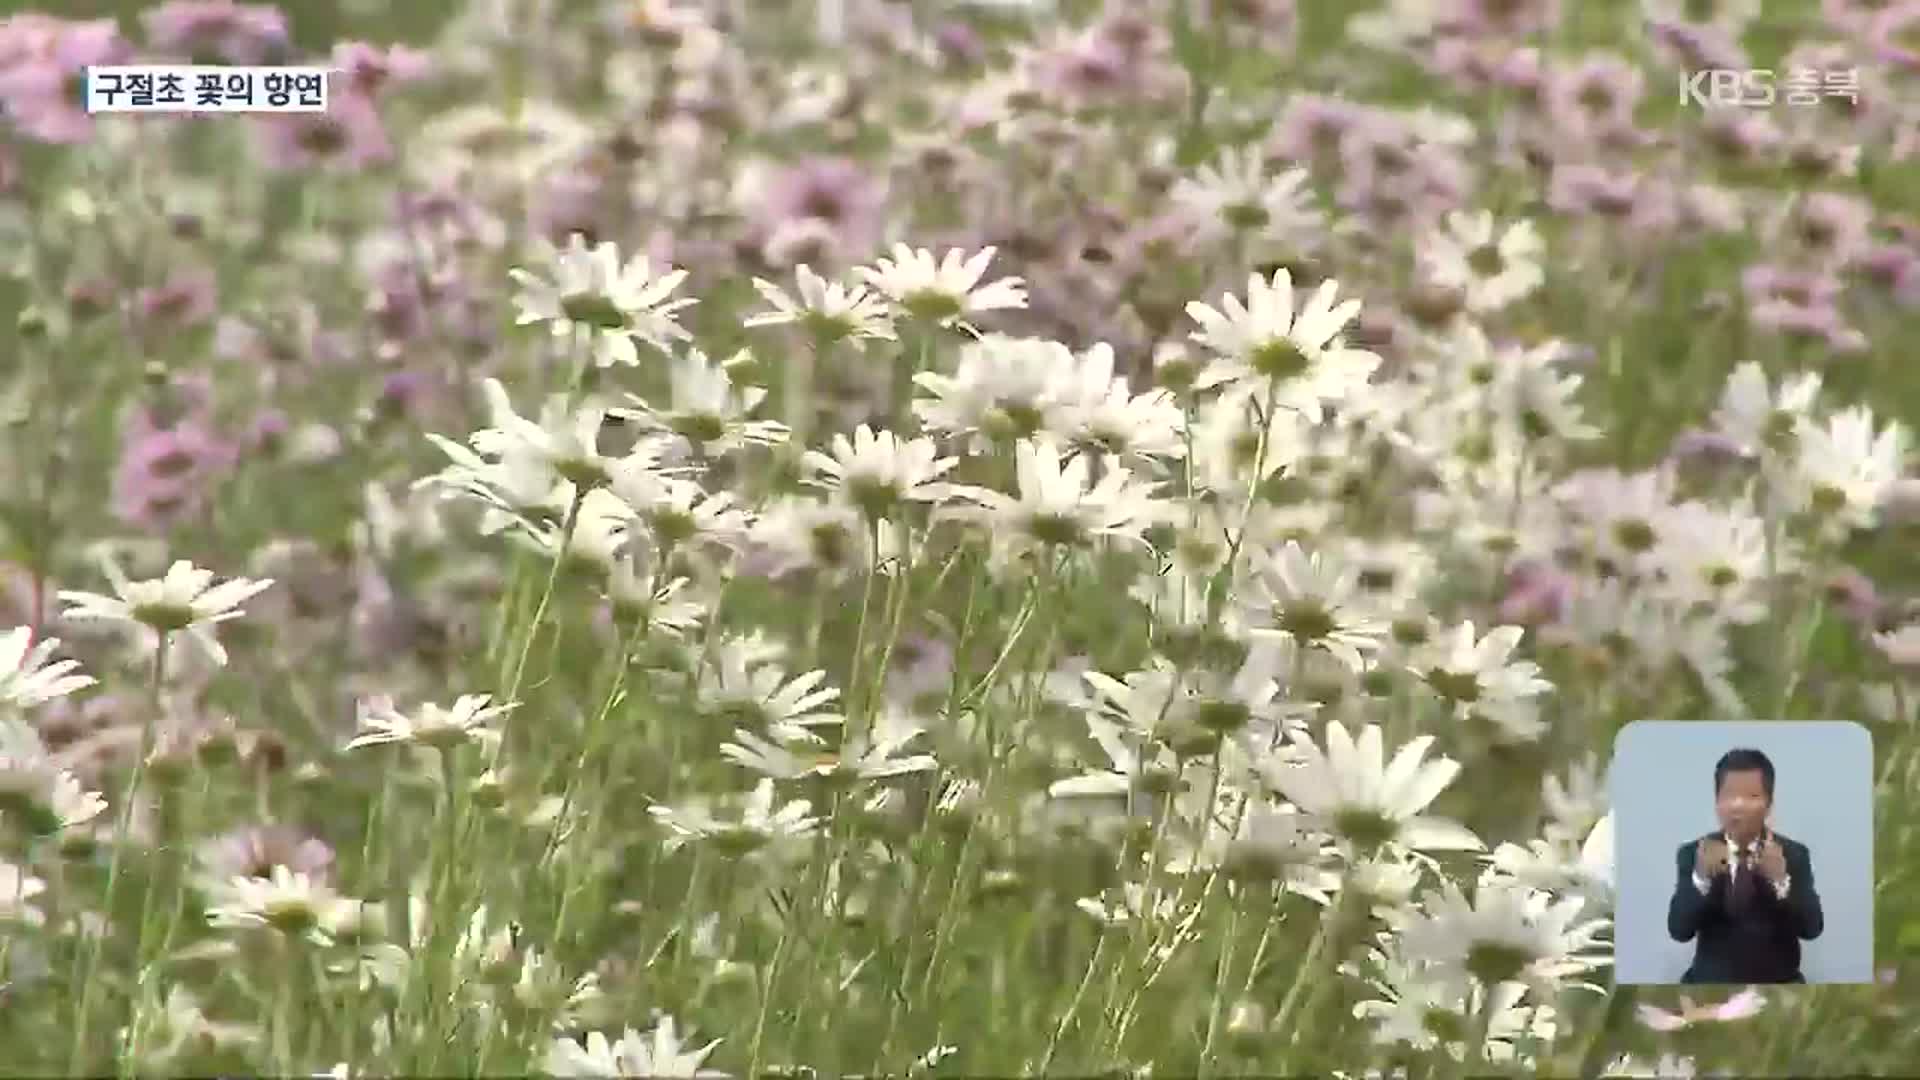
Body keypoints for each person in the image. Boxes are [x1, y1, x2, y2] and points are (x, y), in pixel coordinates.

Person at [1667, 748, 1824, 984]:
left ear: (1769, 804)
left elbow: (1812, 929)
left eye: (1751, 796)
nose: (1737, 806)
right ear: (1717, 802)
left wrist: (1782, 883)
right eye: (1729, 795)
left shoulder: (1793, 854)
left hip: (1778, 984)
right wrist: (1701, 879)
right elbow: (1679, 931)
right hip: (1710, 983)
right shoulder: (1693, 853)